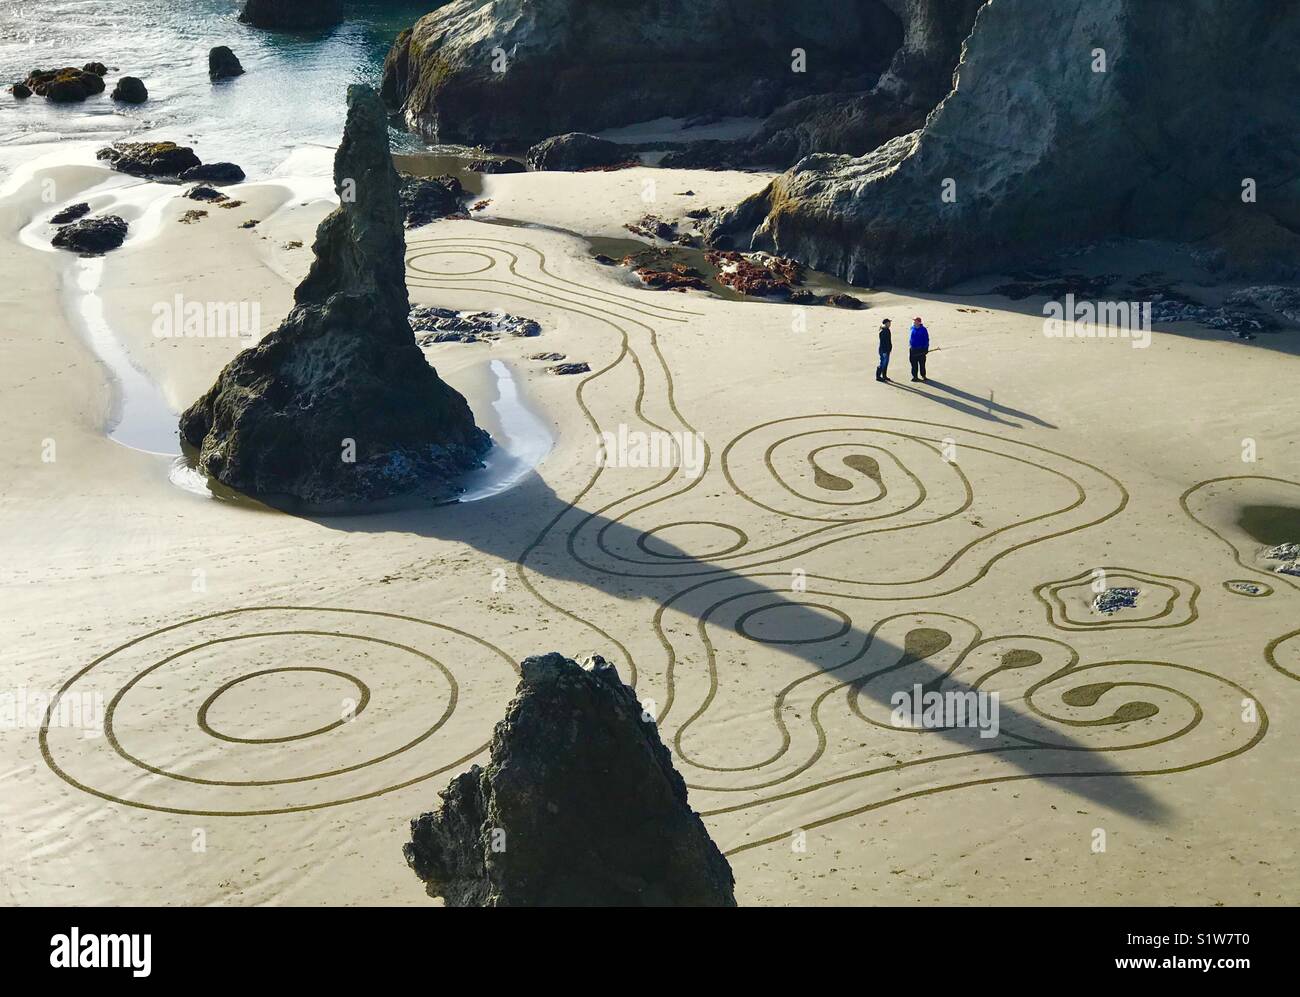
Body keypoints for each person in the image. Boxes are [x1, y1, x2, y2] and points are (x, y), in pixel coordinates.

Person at [909, 316, 930, 381]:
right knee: (913, 364)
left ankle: (923, 375)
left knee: (922, 364)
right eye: (914, 321)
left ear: (919, 322)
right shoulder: (912, 328)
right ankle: (915, 376)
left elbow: (926, 339)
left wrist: (926, 348)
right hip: (913, 349)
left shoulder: (923, 329)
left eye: (915, 321)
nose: (914, 322)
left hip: (921, 349)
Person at [876, 318, 892, 382]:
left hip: (886, 350)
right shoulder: (883, 331)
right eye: (889, 322)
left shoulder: (887, 329)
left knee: (885, 363)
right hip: (884, 350)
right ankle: (878, 376)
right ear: (886, 323)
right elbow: (883, 342)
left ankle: (884, 376)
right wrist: (885, 351)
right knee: (882, 363)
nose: (890, 324)